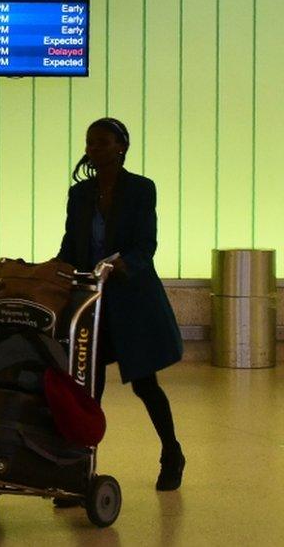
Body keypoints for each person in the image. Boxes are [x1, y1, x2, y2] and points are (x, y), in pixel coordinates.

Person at [57, 117, 185, 491]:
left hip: (132, 301)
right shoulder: (79, 194)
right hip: (91, 305)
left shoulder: (142, 189)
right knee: (86, 389)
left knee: (145, 384)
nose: (92, 149)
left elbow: (146, 244)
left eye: (101, 142)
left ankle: (171, 453)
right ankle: (79, 471)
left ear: (121, 147)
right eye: (89, 143)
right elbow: (70, 245)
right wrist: (54, 269)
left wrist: (121, 265)